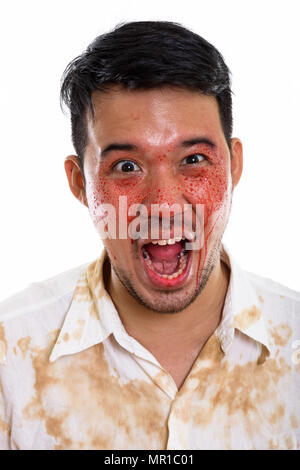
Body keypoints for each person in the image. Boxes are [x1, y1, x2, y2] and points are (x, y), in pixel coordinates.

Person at [0, 21, 299, 451]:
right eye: (126, 166)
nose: (163, 205)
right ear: (79, 183)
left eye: (193, 159)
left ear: (233, 167)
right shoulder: (10, 357)